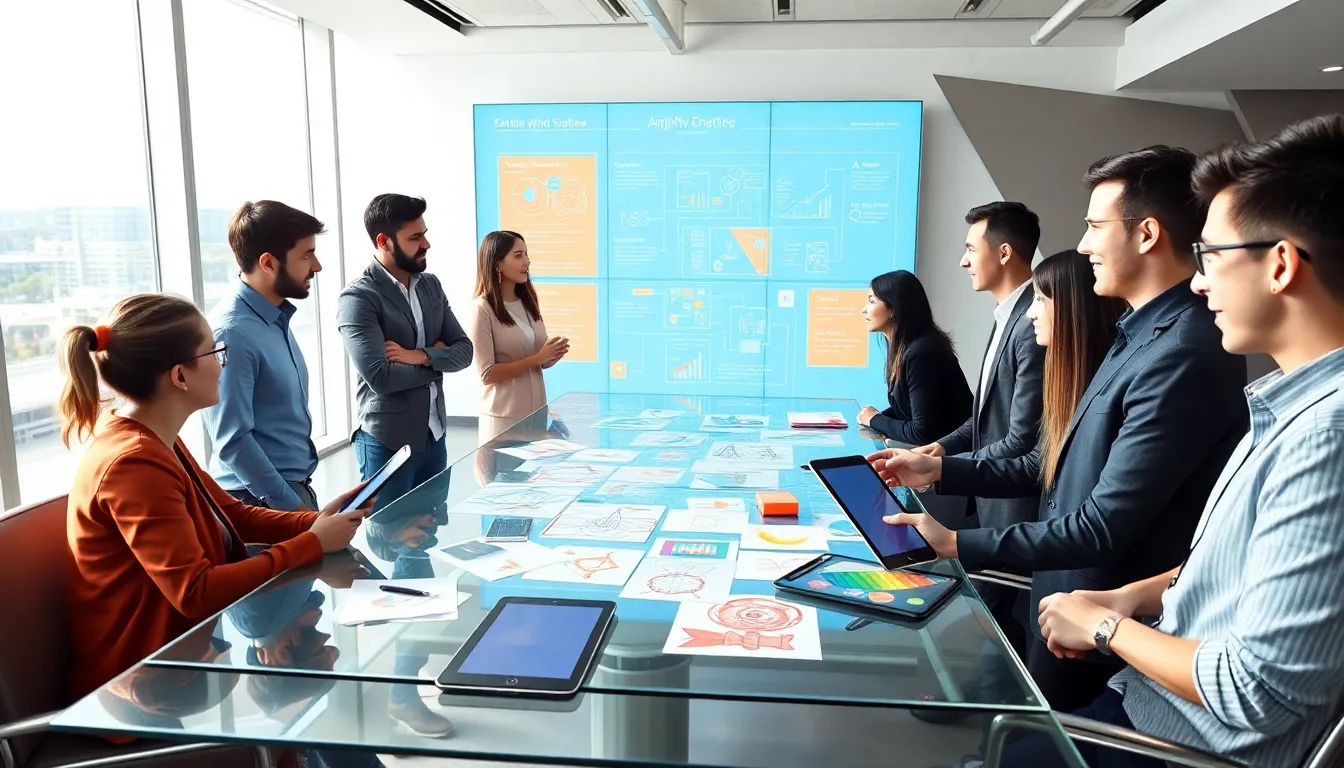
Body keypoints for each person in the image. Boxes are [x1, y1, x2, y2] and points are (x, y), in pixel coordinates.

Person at [869, 146, 1249, 712]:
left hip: (1095, 620)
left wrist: (956, 542)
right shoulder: (1136, 335)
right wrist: (940, 467)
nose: (1086, 244)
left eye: (1096, 226)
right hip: (1061, 602)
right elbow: (1045, 463)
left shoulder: (1181, 351)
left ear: (1145, 234)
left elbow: (1103, 523)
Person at [1015, 115, 1344, 768]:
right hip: (1147, 709)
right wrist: (1133, 597)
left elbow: (1259, 692)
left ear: (1279, 264)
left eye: (1210, 257)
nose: (1198, 282)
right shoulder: (1290, 409)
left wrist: (1109, 628)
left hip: (1180, 747)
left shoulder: (1324, 439)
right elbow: (1233, 571)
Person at [60, 293, 368, 704]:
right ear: (179, 377)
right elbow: (196, 592)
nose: (222, 364)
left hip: (185, 645)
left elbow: (231, 515)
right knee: (299, 691)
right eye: (214, 352)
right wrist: (312, 543)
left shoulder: (155, 439)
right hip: (153, 675)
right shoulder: (134, 463)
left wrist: (311, 522)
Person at [915, 201, 1047, 655]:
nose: (963, 260)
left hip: (1013, 511)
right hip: (987, 503)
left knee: (986, 626)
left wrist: (943, 467)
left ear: (1005, 252)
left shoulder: (1032, 322)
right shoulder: (1006, 313)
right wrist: (936, 449)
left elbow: (1020, 441)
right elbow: (984, 418)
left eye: (971, 248)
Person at [337, 194, 473, 516]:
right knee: (388, 539)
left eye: (424, 233)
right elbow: (381, 378)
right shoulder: (359, 298)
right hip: (387, 443)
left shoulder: (430, 286)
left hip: (435, 436)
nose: (426, 243)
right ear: (384, 242)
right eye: (415, 237)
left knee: (429, 536)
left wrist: (419, 356)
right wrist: (437, 362)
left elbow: (465, 351)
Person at [204, 200, 325, 511]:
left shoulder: (273, 317)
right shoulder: (233, 333)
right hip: (260, 502)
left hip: (286, 492)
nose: (317, 266)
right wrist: (292, 508)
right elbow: (233, 441)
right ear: (269, 263)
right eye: (306, 255)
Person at [467, 230, 568, 445]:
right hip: (503, 419)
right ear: (497, 264)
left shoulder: (527, 301)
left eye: (527, 254)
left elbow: (537, 359)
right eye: (518, 255)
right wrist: (537, 359)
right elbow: (487, 374)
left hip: (537, 413)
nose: (527, 262)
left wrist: (552, 355)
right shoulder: (482, 309)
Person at [857, 270, 972, 445]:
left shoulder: (921, 352)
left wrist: (875, 419)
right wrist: (875, 418)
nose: (863, 309)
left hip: (954, 459)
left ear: (894, 309)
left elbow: (922, 432)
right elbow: (907, 411)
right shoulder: (905, 347)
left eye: (872, 301)